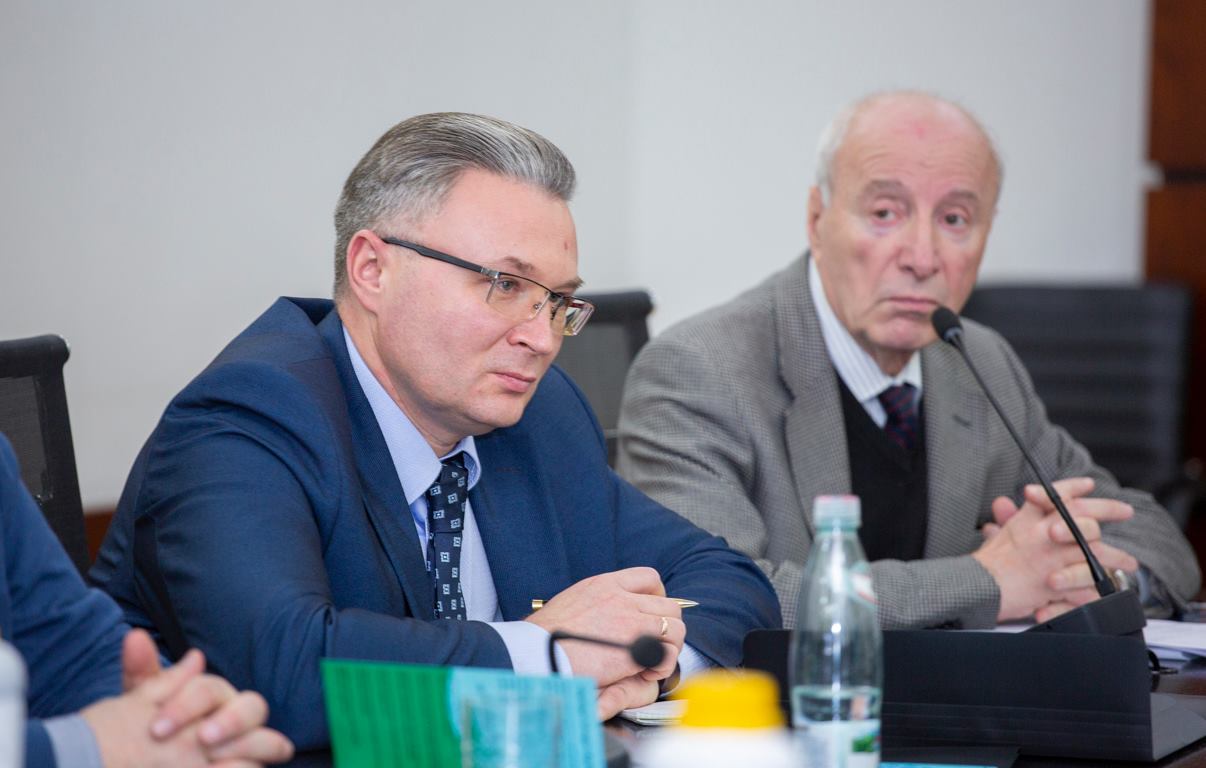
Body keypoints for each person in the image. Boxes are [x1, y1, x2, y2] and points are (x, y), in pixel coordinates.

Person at [90, 112, 780, 750]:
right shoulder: (251, 414)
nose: (542, 338)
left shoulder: (538, 415)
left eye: (558, 302)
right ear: (372, 269)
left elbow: (726, 580)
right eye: (505, 285)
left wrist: (646, 665)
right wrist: (550, 658)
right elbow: (286, 669)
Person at [618, 91, 1201, 631]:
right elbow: (708, 596)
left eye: (954, 220)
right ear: (817, 220)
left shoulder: (978, 360)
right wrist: (989, 581)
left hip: (969, 703)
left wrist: (1095, 581)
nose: (922, 258)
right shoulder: (699, 370)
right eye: (885, 213)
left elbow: (1154, 536)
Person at [0, 434, 293, 768]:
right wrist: (93, 747)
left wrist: (182, 724)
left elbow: (69, 652)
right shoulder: (233, 423)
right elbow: (289, 669)